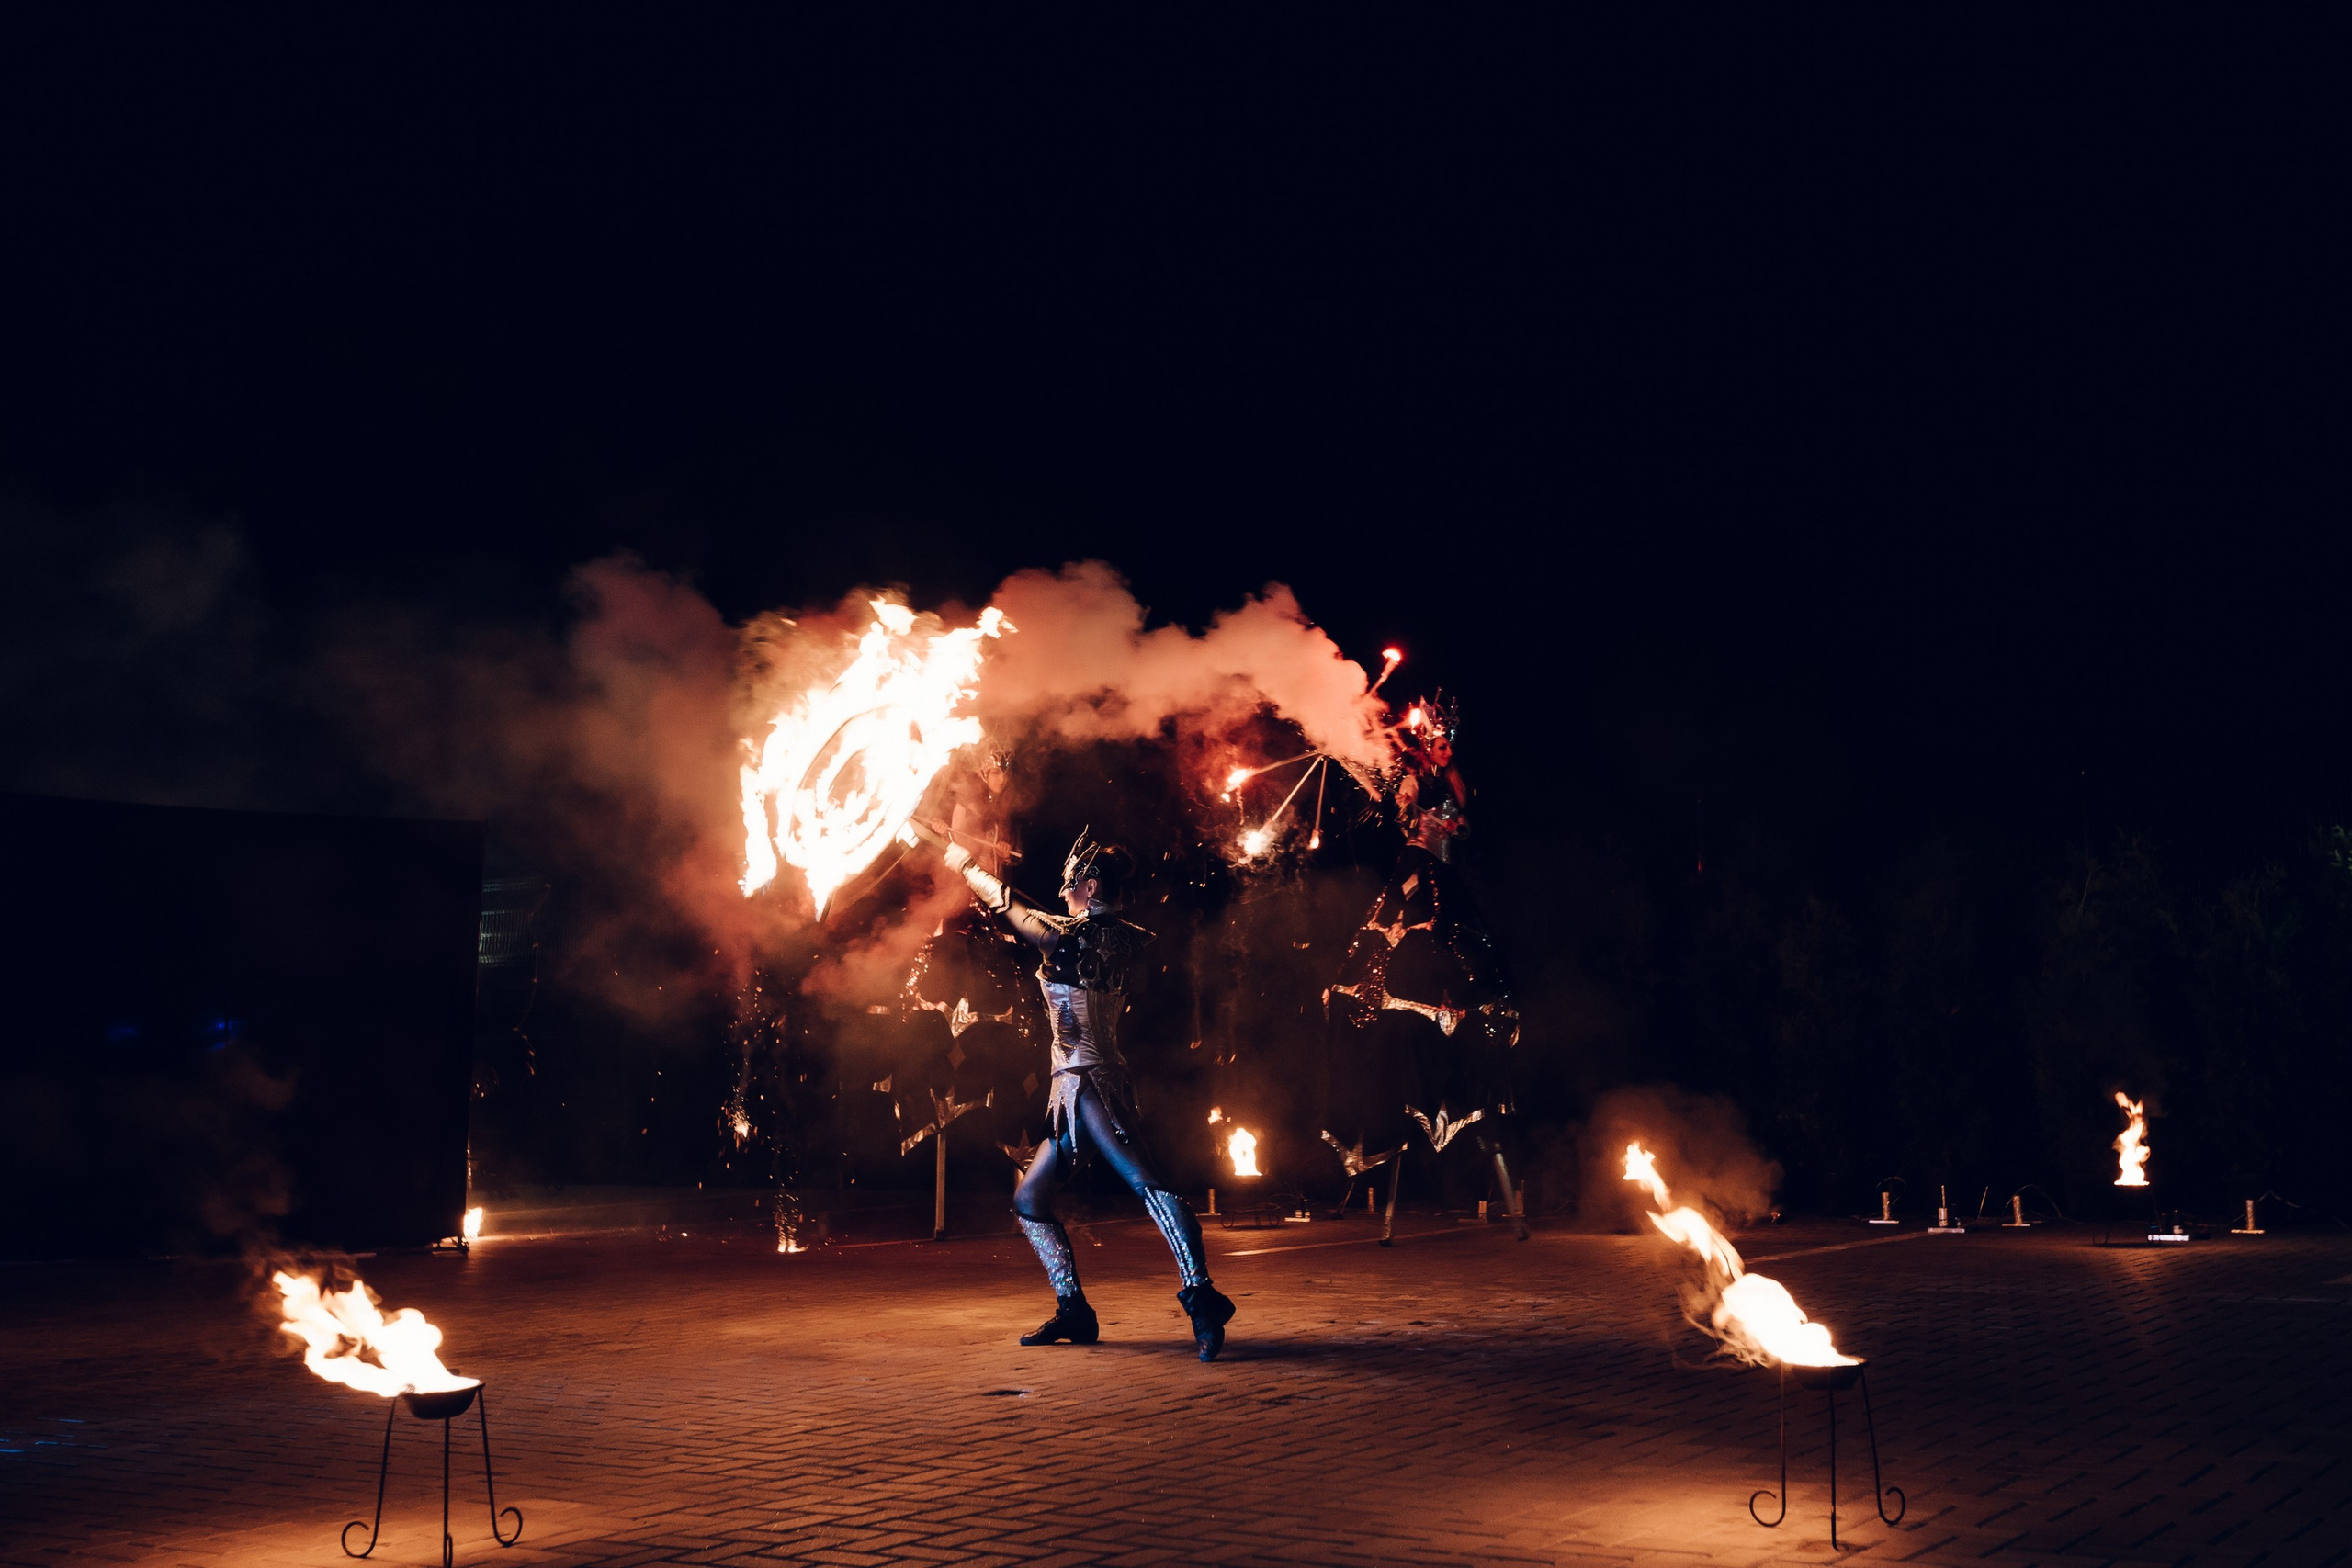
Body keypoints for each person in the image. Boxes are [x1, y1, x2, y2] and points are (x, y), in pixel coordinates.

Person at [916, 820, 1238, 1361]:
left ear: (1090, 885)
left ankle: (1204, 1297)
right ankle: (1074, 1312)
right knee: (1029, 1198)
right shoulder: (1105, 935)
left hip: (1090, 1084)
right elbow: (1037, 913)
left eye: (1072, 882)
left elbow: (1016, 912)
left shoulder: (1076, 937)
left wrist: (965, 866)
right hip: (1073, 1087)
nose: (1064, 889)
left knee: (1149, 1187)